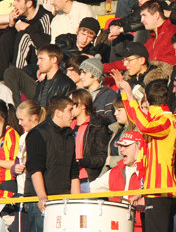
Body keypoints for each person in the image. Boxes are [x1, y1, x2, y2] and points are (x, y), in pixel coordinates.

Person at [113, 73, 176, 232]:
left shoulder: (166, 120)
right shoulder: (156, 119)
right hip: (151, 191)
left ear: (147, 100)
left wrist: (130, 95)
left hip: (161, 191)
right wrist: (124, 92)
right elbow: (136, 118)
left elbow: (143, 126)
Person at [24, 95, 80, 232]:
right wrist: (42, 196)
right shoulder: (37, 134)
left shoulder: (69, 135)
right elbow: (35, 169)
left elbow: (73, 171)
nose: (73, 114)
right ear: (58, 113)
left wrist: (76, 201)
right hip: (40, 200)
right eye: (70, 110)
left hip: (63, 199)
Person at [0, 0, 51, 77]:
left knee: (23, 35)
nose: (14, 4)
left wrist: (28, 28)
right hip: (15, 60)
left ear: (29, 3)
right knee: (5, 38)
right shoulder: (21, 17)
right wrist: (11, 25)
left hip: (36, 64)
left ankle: (17, 77)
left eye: (18, 1)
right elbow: (7, 43)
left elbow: (47, 45)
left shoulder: (45, 17)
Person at [69, 89, 110, 192]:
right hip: (69, 178)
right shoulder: (68, 127)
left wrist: (82, 161)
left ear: (83, 105)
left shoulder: (97, 125)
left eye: (73, 104)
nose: (69, 107)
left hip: (88, 178)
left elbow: (101, 157)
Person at [78, 56, 117, 122]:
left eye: (84, 72)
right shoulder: (80, 94)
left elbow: (111, 120)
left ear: (96, 76)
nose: (81, 77)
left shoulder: (109, 94)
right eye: (80, 73)